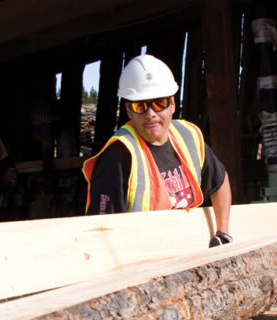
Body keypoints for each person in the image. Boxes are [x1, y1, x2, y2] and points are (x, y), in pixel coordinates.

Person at [82, 54, 233, 247]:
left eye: (159, 103)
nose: (150, 114)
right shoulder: (119, 155)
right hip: (144, 255)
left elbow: (219, 180)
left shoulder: (188, 136)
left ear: (172, 104)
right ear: (128, 110)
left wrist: (223, 231)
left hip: (189, 249)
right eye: (140, 106)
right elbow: (100, 228)